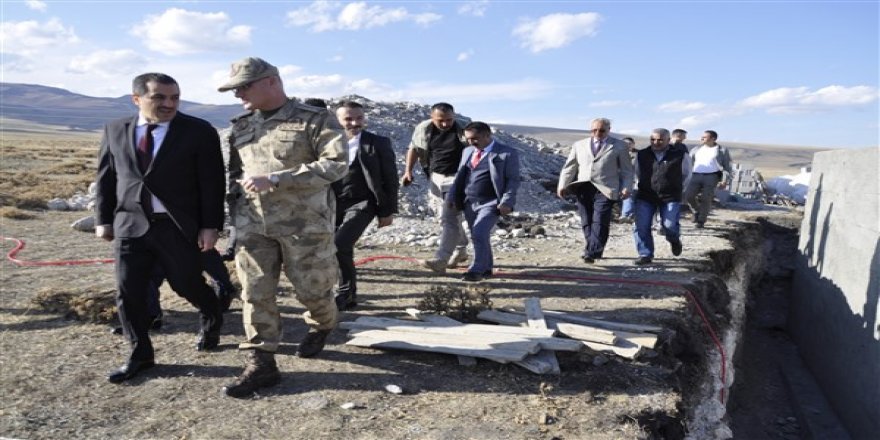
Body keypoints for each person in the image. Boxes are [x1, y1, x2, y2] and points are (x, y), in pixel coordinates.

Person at [218, 57, 347, 398]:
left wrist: (277, 179)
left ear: (272, 81)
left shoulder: (315, 119)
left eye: (245, 86)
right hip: (253, 225)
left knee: (312, 289)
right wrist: (227, 222)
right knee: (255, 291)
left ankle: (322, 323)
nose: (238, 94)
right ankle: (262, 362)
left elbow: (336, 166)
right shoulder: (242, 126)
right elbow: (234, 178)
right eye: (235, 88)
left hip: (304, 226)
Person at [95, 72, 226, 383]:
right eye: (160, 97)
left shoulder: (198, 131)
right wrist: (103, 219)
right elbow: (106, 177)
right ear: (137, 98)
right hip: (130, 224)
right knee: (129, 293)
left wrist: (210, 226)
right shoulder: (115, 129)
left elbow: (212, 183)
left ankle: (211, 313)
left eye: (175, 97)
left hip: (177, 226)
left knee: (186, 285)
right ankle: (140, 354)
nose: (169, 104)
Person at [332, 101, 399, 309]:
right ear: (338, 121)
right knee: (332, 247)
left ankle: (345, 294)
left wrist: (387, 211)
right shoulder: (328, 143)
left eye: (359, 118)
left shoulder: (377, 142)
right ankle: (344, 292)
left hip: (364, 203)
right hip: (332, 203)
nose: (355, 123)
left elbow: (390, 177)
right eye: (348, 119)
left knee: (340, 244)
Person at [401, 102, 470, 273]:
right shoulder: (424, 129)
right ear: (432, 118)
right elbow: (414, 149)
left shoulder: (464, 129)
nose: (446, 124)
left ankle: (441, 259)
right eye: (441, 121)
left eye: (449, 120)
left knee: (448, 218)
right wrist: (408, 171)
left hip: (457, 178)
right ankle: (461, 249)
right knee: (444, 217)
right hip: (435, 178)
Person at [447, 122, 520, 282]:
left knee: (479, 232)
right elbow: (459, 176)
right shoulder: (467, 152)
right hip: (469, 201)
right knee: (478, 235)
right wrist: (452, 197)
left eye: (475, 138)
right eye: (468, 139)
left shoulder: (506, 153)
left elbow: (513, 180)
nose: (471, 142)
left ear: (488, 135)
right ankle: (487, 268)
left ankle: (476, 270)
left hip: (492, 202)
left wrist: (507, 201)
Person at [557, 117, 634, 263]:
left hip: (606, 188)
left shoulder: (619, 146)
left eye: (602, 130)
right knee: (587, 219)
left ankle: (592, 252)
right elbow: (570, 167)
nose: (598, 133)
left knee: (600, 220)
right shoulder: (579, 145)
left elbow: (626, 170)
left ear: (609, 130)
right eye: (594, 130)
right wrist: (562, 185)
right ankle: (592, 247)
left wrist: (626, 187)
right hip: (583, 187)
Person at [632, 128, 692, 265]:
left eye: (660, 140)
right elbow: (637, 173)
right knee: (642, 225)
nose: (656, 142)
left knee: (669, 225)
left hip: (670, 196)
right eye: (653, 139)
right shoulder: (642, 154)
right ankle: (645, 253)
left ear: (668, 140)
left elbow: (687, 174)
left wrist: (679, 189)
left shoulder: (680, 155)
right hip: (646, 195)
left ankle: (674, 240)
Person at [684, 130, 733, 228]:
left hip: (711, 176)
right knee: (688, 195)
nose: (701, 139)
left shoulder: (721, 150)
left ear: (713, 139)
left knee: (706, 198)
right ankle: (696, 211)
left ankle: (701, 221)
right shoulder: (696, 149)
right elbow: (689, 163)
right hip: (695, 175)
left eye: (704, 137)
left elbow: (727, 167)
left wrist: (724, 180)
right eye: (702, 137)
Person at [619, 137, 638, 221]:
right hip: (617, 178)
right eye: (625, 144)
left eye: (629, 144)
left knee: (628, 195)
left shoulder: (639, 155)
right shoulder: (617, 153)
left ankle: (626, 215)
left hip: (632, 178)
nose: (627, 145)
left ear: (633, 144)